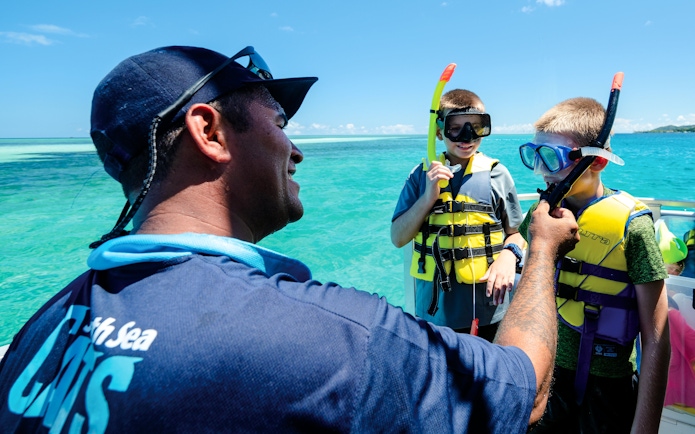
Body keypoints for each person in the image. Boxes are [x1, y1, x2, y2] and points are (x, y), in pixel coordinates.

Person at [0, 45, 579, 433]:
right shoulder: (329, 338)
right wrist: (543, 248)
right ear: (210, 131)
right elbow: (522, 390)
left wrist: (510, 245)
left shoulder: (45, 325)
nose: (296, 150)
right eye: (279, 124)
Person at [518, 97, 671, 433]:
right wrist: (507, 253)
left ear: (597, 161)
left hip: (607, 389)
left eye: (551, 159)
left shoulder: (634, 227)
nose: (540, 171)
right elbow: (520, 240)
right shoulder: (542, 212)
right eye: (533, 155)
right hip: (546, 376)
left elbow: (657, 338)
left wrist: (645, 427)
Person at [391, 89, 525, 342]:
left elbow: (516, 234)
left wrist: (509, 257)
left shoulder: (498, 175)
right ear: (439, 131)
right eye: (456, 129)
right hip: (434, 315)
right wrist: (428, 198)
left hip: (489, 311)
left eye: (476, 127)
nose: (467, 138)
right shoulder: (420, 176)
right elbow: (398, 238)